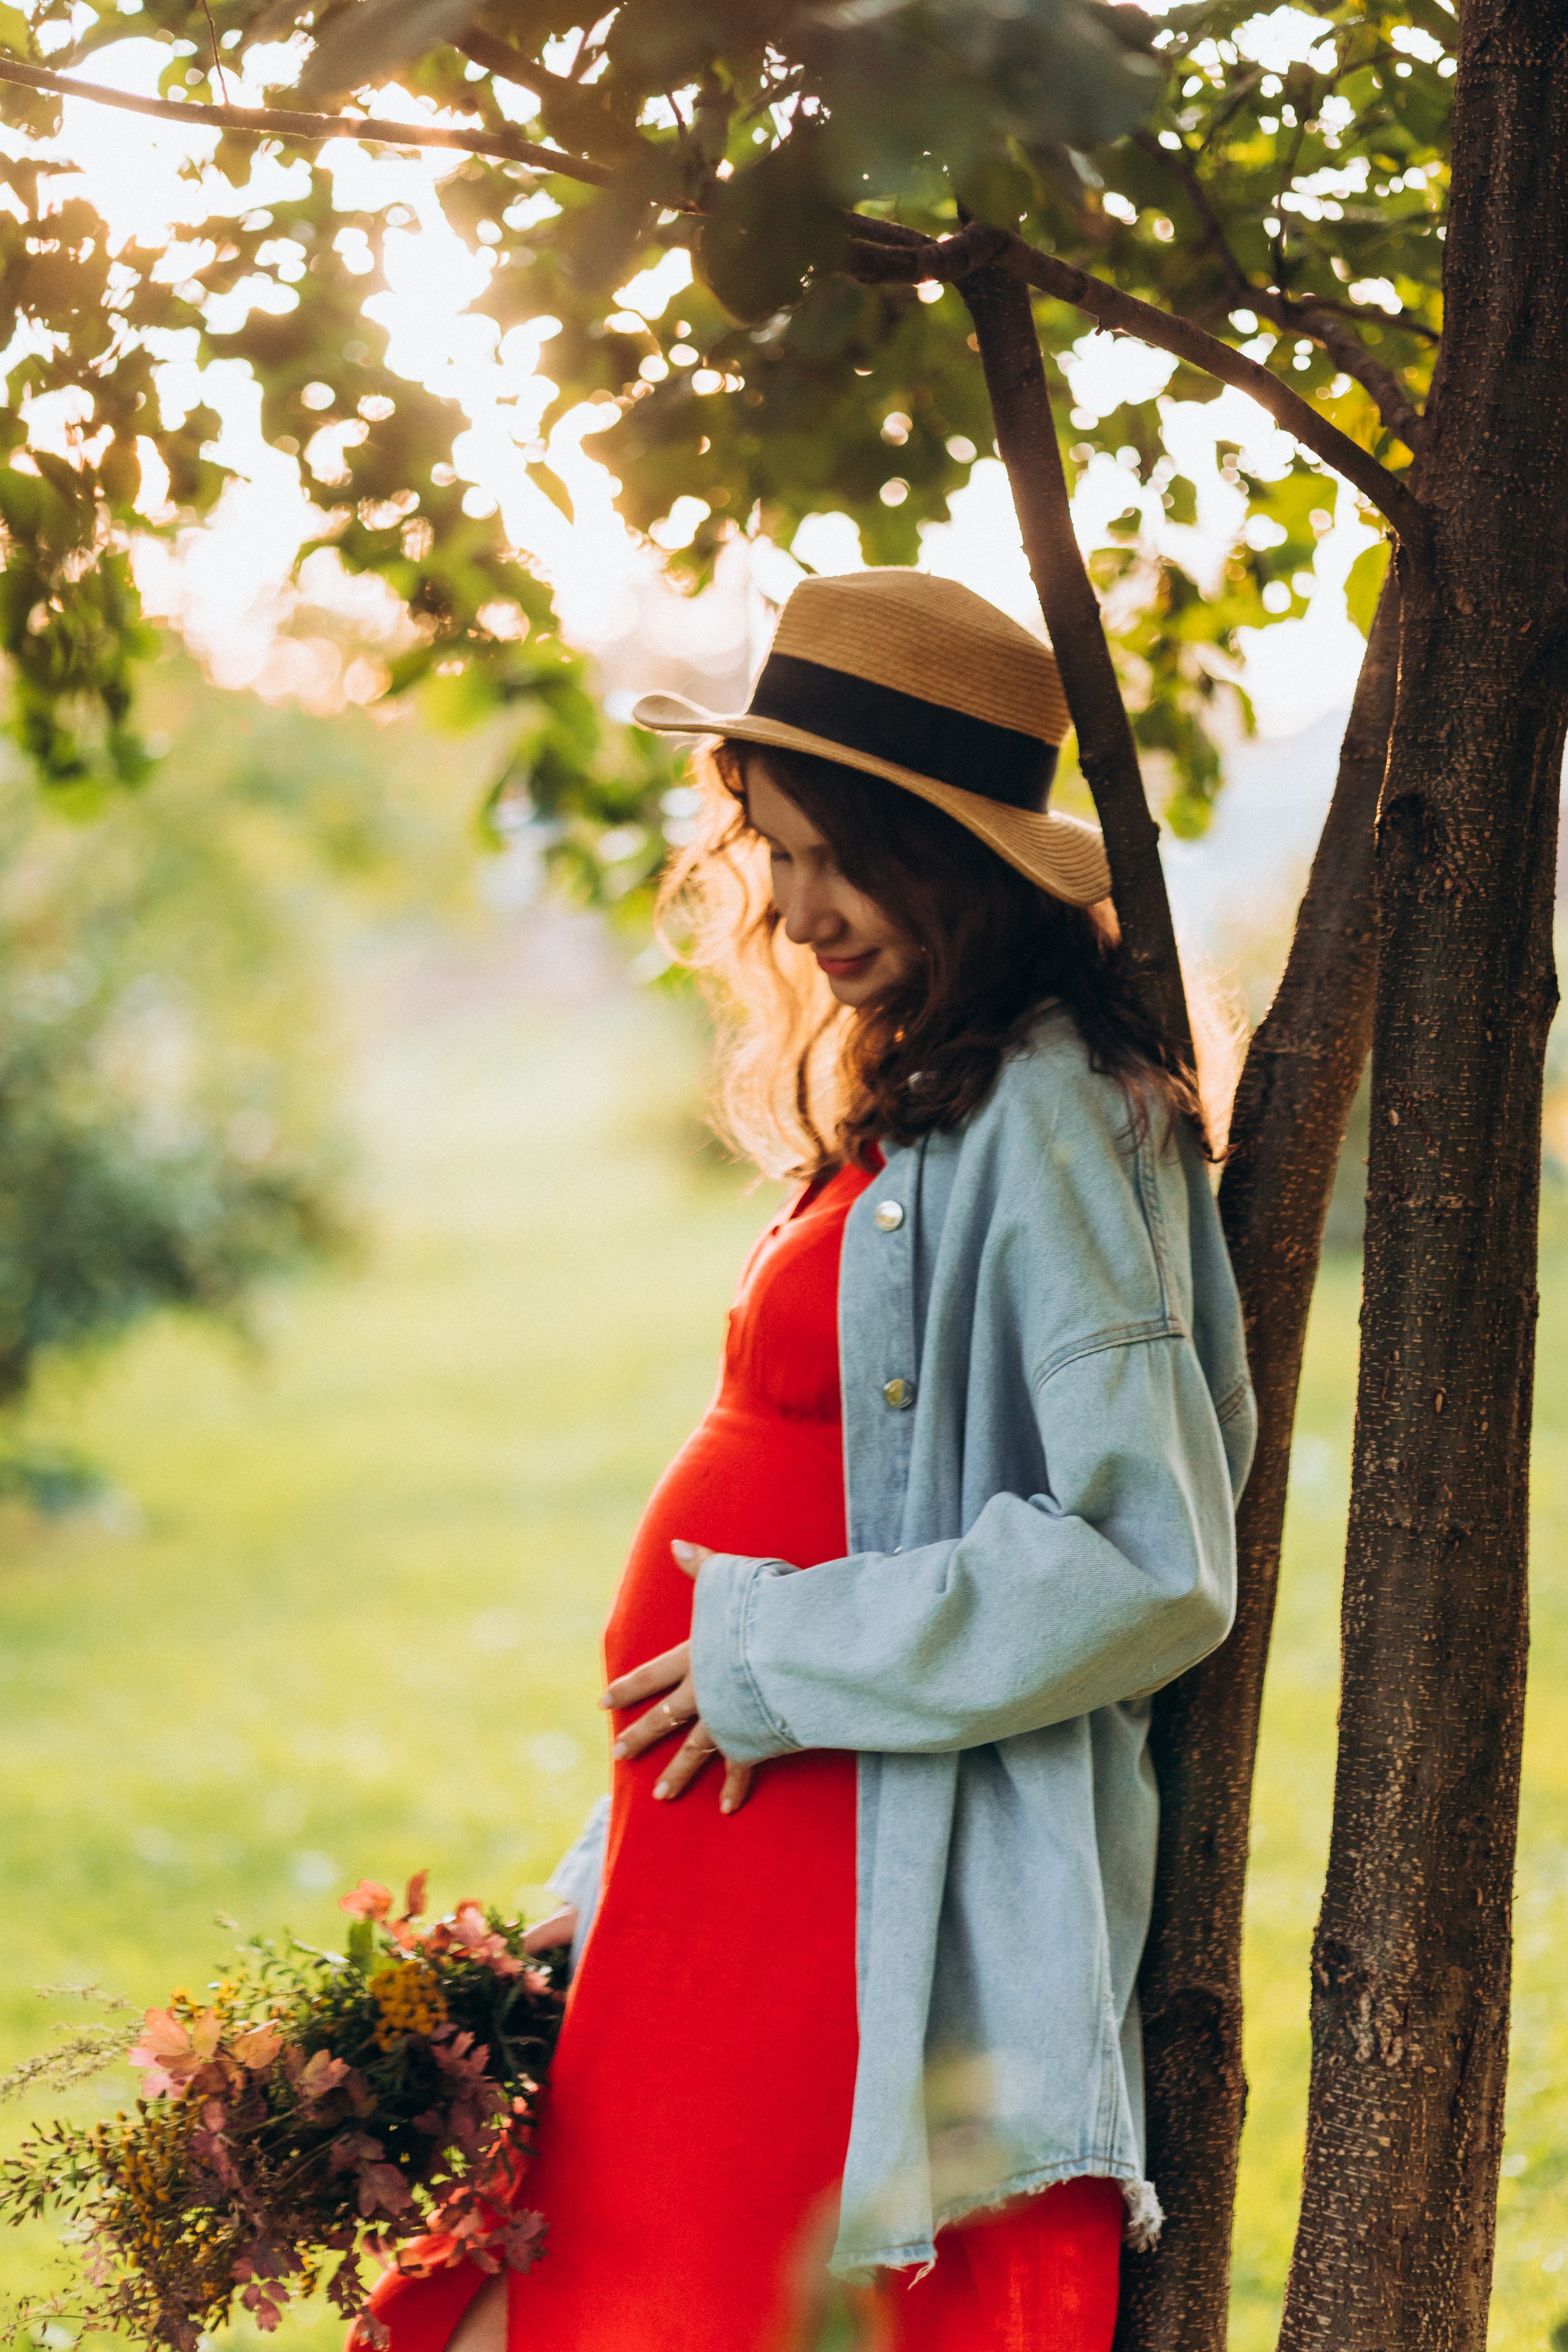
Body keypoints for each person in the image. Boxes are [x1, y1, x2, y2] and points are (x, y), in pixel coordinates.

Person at [361, 567, 1255, 2352]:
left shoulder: (1060, 1116)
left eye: (837, 854)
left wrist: (779, 1660)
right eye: (771, 852)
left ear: (958, 852)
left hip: (851, 1866)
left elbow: (1153, 1557)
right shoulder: (933, 1097)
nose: (792, 907)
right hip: (735, 1841)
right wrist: (581, 1896)